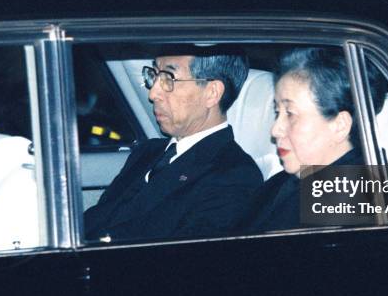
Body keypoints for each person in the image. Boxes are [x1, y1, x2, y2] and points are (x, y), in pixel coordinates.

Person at [85, 47, 263, 241]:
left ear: (212, 93)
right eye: (154, 75)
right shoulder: (148, 151)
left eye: (169, 78)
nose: (153, 94)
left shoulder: (233, 176)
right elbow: (99, 217)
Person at [243, 47, 387, 232]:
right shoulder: (285, 182)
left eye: (290, 114)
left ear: (340, 125)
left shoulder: (359, 209)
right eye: (277, 112)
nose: (275, 130)